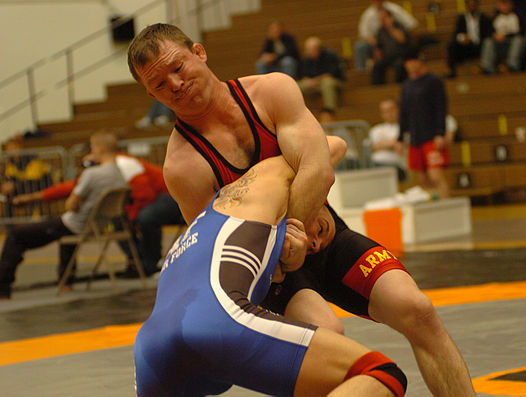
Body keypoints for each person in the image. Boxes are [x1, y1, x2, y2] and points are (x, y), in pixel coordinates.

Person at [127, 23, 475, 396]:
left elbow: (320, 167)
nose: (176, 85)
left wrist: (298, 224)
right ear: (150, 94)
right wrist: (286, 243)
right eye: (160, 84)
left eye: (178, 67)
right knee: (328, 337)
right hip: (274, 272)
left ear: (199, 52)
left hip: (323, 235)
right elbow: (218, 247)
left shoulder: (270, 91)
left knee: (416, 308)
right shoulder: (183, 165)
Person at [134, 140, 408, 397]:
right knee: (380, 374)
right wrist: (300, 203)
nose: (313, 243)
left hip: (149, 348)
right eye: (317, 234)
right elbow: (331, 145)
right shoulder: (263, 182)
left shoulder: (199, 231)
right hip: (215, 321)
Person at [0, 131, 127, 299]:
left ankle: (2, 288)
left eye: (92, 146)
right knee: (64, 228)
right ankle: (66, 281)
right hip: (97, 226)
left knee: (16, 235)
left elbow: (70, 205)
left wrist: (86, 168)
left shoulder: (92, 174)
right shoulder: (119, 174)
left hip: (76, 225)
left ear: (99, 148)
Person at [397, 48, 450, 199]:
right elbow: (403, 113)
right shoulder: (406, 86)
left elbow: (441, 107)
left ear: (420, 61)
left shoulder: (434, 81)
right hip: (416, 137)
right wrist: (400, 137)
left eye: (412, 61)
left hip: (431, 136)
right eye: (407, 62)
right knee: (422, 179)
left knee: (436, 176)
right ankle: (431, 208)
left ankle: (445, 205)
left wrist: (440, 133)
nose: (410, 65)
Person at [354, 0, 418, 71]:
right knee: (360, 46)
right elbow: (364, 33)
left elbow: (411, 23)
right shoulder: (368, 14)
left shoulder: (394, 9)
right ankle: (361, 71)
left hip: (394, 39)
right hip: (376, 41)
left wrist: (393, 28)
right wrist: (375, 43)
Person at [1, 136, 53, 217]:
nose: (11, 150)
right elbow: (9, 180)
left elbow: (33, 181)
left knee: (30, 189)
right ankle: (9, 224)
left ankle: (34, 218)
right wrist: (6, 186)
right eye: (8, 148)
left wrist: (15, 185)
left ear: (20, 147)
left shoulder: (33, 159)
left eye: (13, 147)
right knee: (8, 196)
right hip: (23, 189)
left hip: (41, 187)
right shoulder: (10, 165)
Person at [446, 0, 493, 78]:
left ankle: (488, 69)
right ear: (466, 6)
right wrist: (463, 38)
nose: (472, 7)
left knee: (488, 43)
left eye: (473, 5)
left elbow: (489, 34)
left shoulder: (484, 18)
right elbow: (456, 34)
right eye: (470, 5)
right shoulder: (461, 19)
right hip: (467, 46)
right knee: (452, 45)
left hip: (481, 46)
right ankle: (452, 71)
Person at [297, 36, 345, 110]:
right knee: (296, 86)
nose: (308, 52)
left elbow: (330, 75)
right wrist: (308, 81)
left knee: (327, 83)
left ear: (317, 49)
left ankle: (330, 111)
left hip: (332, 81)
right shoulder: (306, 59)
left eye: (310, 50)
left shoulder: (330, 55)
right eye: (307, 50)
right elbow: (303, 75)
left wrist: (314, 81)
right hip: (314, 84)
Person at [480, 0, 526, 74]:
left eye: (506, 4)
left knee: (518, 40)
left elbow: (521, 32)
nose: (505, 7)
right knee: (488, 42)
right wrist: (495, 35)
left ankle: (512, 66)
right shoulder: (495, 18)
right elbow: (488, 32)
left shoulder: (517, 16)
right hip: (499, 44)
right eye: (502, 4)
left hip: (512, 43)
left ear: (511, 5)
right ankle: (487, 68)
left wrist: (506, 36)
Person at [368, 99, 407, 181]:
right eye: (385, 111)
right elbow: (369, 148)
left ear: (398, 110)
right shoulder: (375, 130)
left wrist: (380, 145)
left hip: (397, 166)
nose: (388, 113)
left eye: (391, 109)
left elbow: (400, 144)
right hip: (374, 164)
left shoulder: (405, 128)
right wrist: (391, 144)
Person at [371, 8, 410, 84]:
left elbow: (402, 39)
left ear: (390, 17)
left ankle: (398, 86)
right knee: (377, 65)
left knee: (400, 65)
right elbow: (378, 46)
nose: (382, 20)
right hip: (387, 57)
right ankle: (378, 89)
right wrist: (377, 54)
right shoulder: (381, 31)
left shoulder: (399, 26)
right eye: (381, 19)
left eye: (384, 18)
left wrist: (391, 28)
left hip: (400, 56)